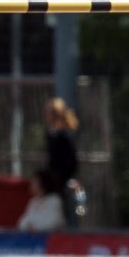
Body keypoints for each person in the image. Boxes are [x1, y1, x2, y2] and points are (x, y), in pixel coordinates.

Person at [44, 97, 82, 226]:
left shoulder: (65, 135)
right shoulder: (50, 133)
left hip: (64, 178)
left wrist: (64, 176)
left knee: (66, 207)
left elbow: (71, 160)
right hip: (52, 178)